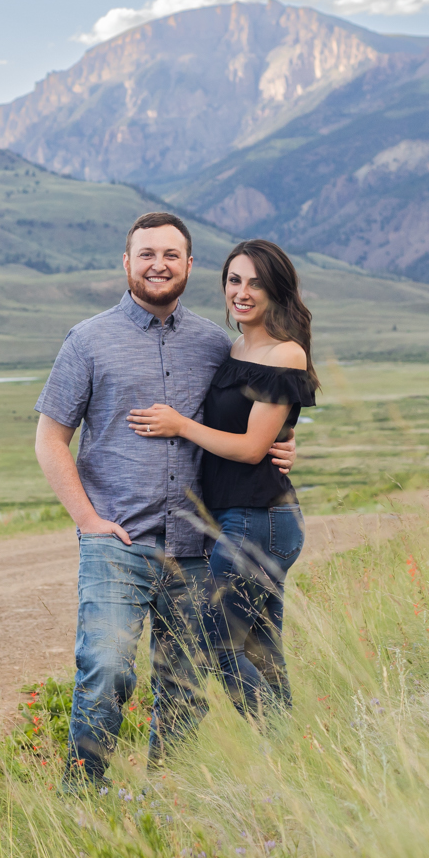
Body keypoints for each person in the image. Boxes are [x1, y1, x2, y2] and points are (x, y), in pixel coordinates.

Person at [34, 212, 295, 789]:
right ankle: (84, 796)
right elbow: (51, 437)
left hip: (198, 547)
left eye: (171, 255)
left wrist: (282, 443)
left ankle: (168, 801)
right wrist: (89, 521)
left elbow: (251, 417)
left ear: (189, 266)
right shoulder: (88, 340)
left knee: (184, 685)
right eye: (147, 254)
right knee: (105, 669)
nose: (159, 265)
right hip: (117, 541)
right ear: (126, 263)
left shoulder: (214, 344)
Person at [129, 239, 317, 716]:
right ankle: (292, 758)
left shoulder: (285, 353)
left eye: (256, 283)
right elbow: (263, 430)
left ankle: (276, 737)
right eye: (235, 280)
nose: (243, 292)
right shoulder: (235, 347)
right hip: (239, 518)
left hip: (261, 520)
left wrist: (180, 425)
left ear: (278, 290)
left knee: (215, 642)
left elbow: (254, 447)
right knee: (260, 651)